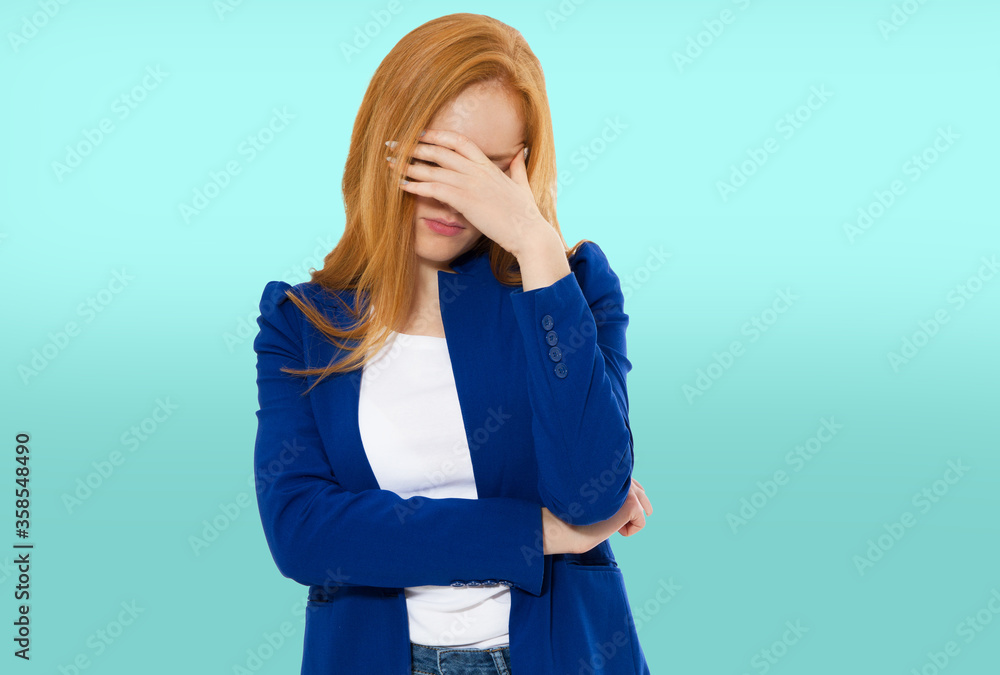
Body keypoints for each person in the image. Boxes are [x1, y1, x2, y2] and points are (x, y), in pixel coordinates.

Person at [252, 13, 653, 674]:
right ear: (385, 143)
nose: (455, 199)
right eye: (436, 160)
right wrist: (537, 534)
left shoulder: (571, 288)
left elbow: (593, 494)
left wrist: (534, 246)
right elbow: (303, 532)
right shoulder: (302, 323)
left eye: (489, 174)